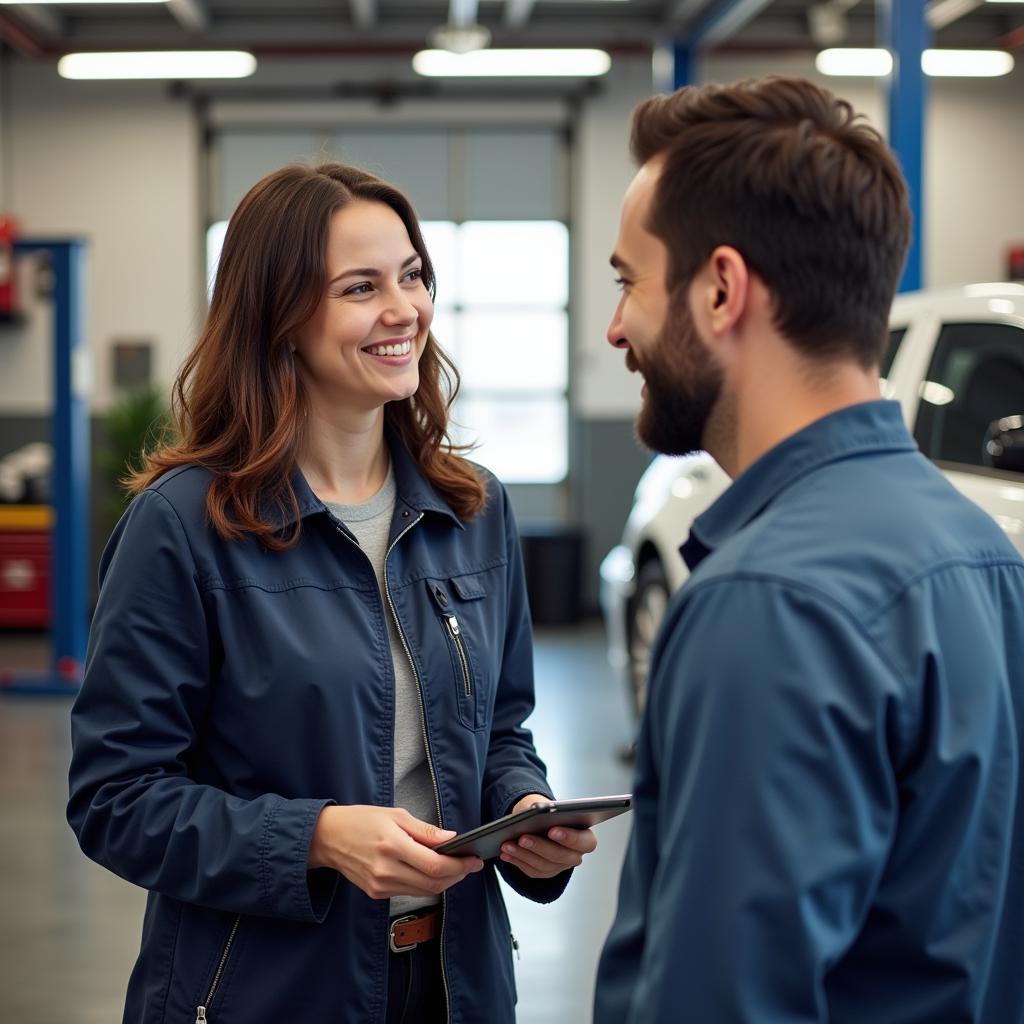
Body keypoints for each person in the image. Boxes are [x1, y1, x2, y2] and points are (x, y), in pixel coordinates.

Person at [67, 161, 596, 1024]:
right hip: (266, 995)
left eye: (413, 275)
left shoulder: (475, 510)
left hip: (456, 986)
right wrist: (315, 839)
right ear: (280, 315)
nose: (405, 310)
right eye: (361, 287)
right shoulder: (183, 526)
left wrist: (524, 811)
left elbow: (501, 730)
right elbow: (115, 798)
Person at [593, 76, 1024, 1023]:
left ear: (719, 289)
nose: (617, 327)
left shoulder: (769, 602)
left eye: (628, 281)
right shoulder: (983, 555)